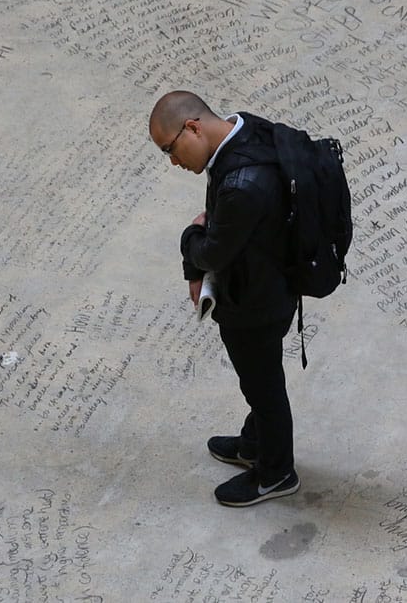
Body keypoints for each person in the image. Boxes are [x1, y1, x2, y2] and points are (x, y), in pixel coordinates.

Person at [148, 90, 300, 506]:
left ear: (193, 127)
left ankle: (276, 473)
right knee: (260, 380)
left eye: (170, 150)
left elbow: (212, 250)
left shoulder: (242, 186)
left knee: (264, 388)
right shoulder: (246, 129)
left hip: (255, 305)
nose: (174, 162)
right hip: (276, 285)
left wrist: (190, 237)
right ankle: (255, 444)